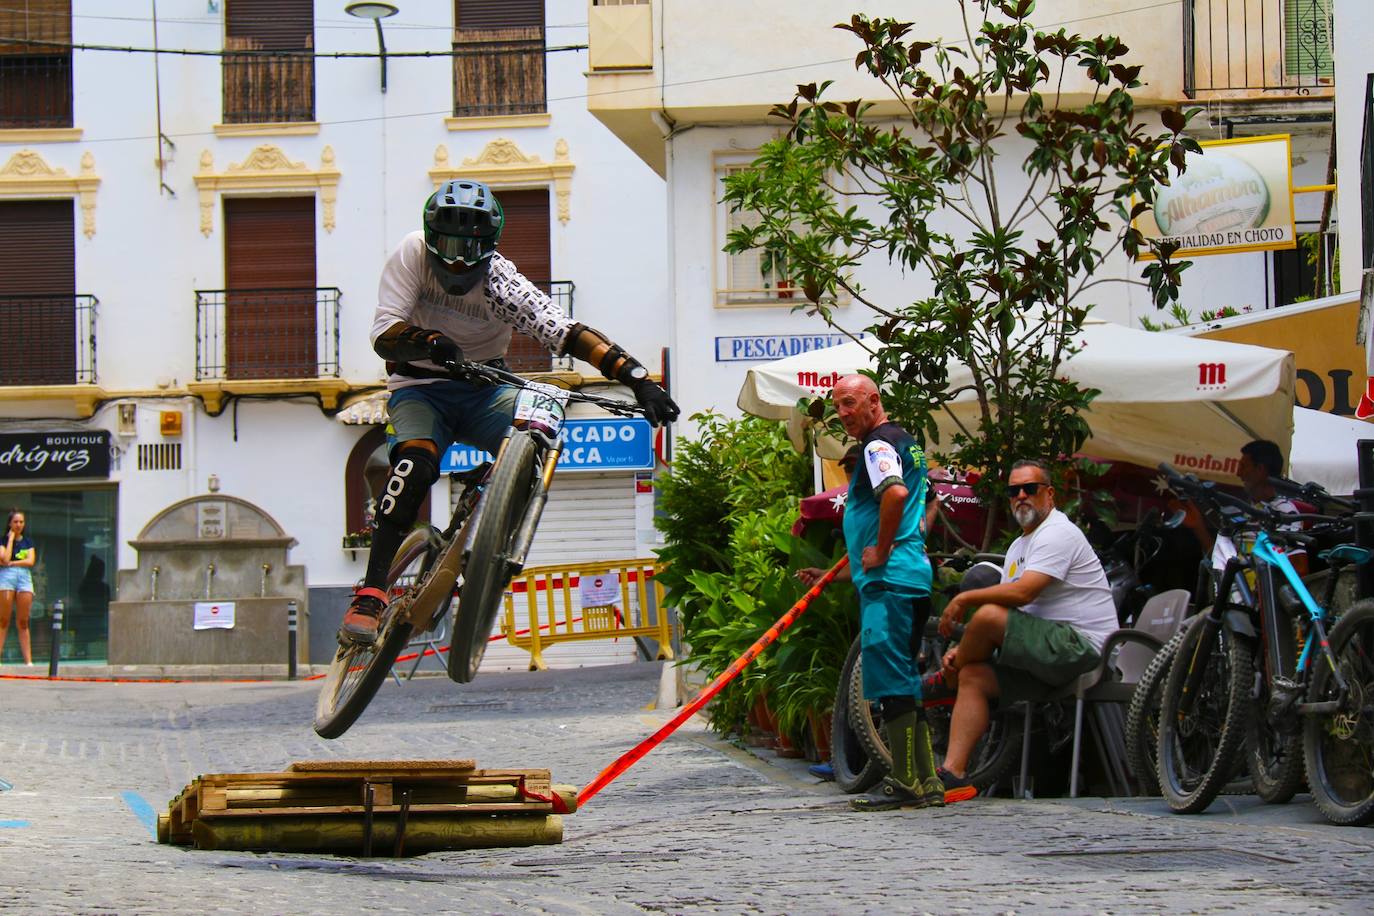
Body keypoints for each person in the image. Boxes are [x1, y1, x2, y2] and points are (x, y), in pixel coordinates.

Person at [339, 180, 679, 645]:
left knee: (543, 420)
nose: (458, 260)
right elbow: (383, 334)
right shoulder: (412, 255)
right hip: (418, 385)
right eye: (449, 245)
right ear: (430, 236)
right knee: (415, 466)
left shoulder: (500, 281)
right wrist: (429, 341)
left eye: (471, 248)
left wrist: (637, 378)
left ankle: (488, 507)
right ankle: (373, 591)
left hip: (484, 388)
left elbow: (567, 332)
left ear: (490, 248)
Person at [797, 375, 954, 810]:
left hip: (890, 583)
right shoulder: (908, 441)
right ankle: (928, 784)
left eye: (850, 403)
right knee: (905, 681)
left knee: (891, 684)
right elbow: (915, 514)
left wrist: (881, 552)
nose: (843, 413)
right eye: (838, 406)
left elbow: (896, 495)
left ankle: (905, 782)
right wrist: (838, 572)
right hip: (907, 578)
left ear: (873, 401)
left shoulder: (876, 445)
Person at [930, 459, 1117, 792]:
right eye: (1014, 490)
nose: (1021, 496)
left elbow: (1023, 592)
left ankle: (945, 679)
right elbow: (1010, 608)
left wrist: (963, 600)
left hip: (1081, 647)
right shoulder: (1020, 545)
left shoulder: (1057, 532)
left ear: (1049, 494)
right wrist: (963, 649)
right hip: (1046, 652)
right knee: (974, 676)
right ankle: (953, 775)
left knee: (986, 615)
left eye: (1030, 488)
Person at [1178, 438, 1308, 577]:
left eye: (1244, 466)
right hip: (1234, 597)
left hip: (1260, 598)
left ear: (1260, 470)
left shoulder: (1284, 511)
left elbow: (1299, 568)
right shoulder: (1246, 510)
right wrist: (1198, 526)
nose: (1238, 473)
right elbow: (1222, 563)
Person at [0, 509, 37, 666]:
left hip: (24, 577)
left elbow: (30, 561)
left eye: (21, 522)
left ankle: (28, 661)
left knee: (23, 621)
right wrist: (10, 539)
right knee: (3, 620)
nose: (18, 525)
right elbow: (4, 558)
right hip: (6, 576)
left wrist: (13, 563)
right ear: (9, 523)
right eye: (15, 522)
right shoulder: (2, 541)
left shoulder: (28, 542)